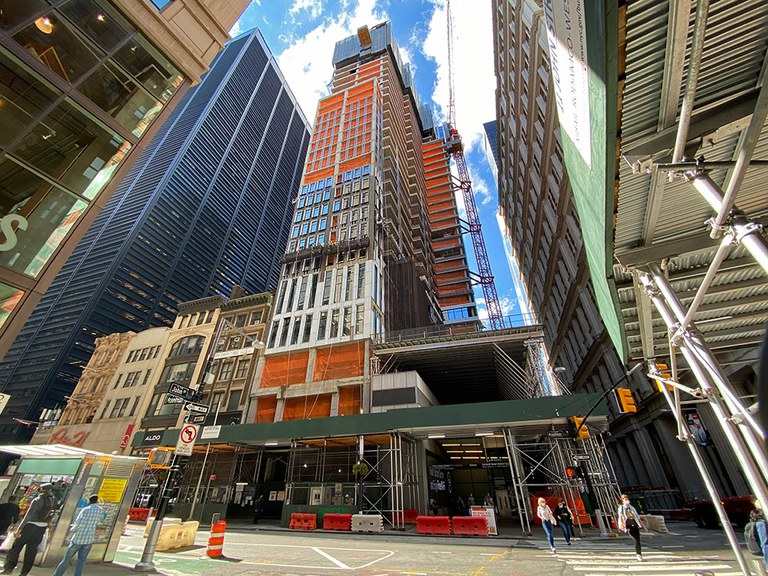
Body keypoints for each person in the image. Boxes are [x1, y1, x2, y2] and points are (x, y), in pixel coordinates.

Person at [2, 483, 55, 576]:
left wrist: (19, 528)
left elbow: (28, 515)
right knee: (31, 551)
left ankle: (9, 568)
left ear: (42, 490)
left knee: (16, 547)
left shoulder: (37, 500)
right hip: (41, 528)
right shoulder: (52, 500)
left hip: (30, 526)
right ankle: (24, 572)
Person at [52, 494, 104, 576]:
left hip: (78, 538)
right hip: (89, 538)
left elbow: (78, 523)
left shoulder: (85, 510)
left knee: (66, 560)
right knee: (81, 561)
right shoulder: (100, 510)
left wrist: (71, 532)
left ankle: (57, 574)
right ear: (97, 501)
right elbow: (99, 521)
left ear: (89, 501)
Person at [617, 494, 647, 561]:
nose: (627, 501)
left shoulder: (632, 507)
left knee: (638, 540)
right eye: (625, 499)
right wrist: (623, 526)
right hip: (628, 526)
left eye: (627, 499)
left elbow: (637, 517)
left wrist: (644, 527)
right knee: (635, 540)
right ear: (622, 501)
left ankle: (639, 554)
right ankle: (638, 555)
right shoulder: (621, 508)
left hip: (635, 525)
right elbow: (621, 517)